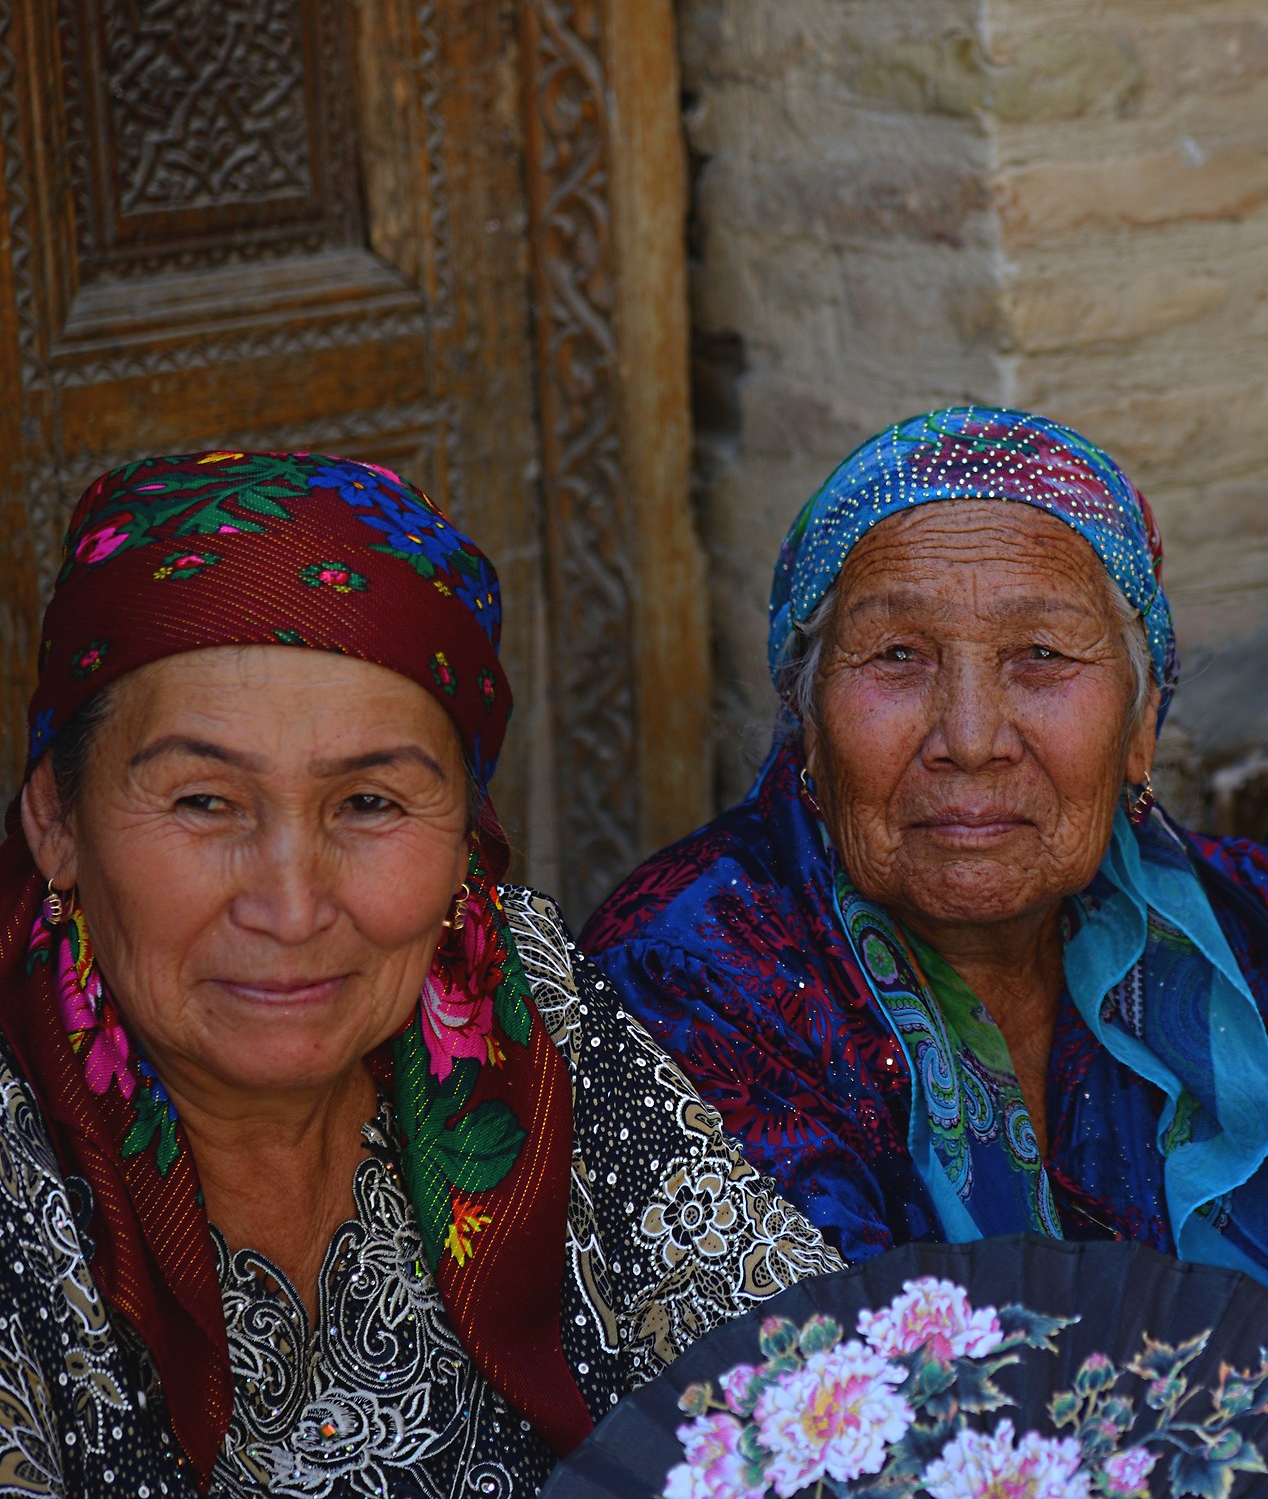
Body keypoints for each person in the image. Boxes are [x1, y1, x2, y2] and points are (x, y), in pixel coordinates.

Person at [584, 407, 1268, 1499]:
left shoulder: (1251, 924)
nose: (970, 734)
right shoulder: (692, 965)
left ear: (1143, 719)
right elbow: (855, 1411)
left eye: (1043, 655)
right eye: (899, 656)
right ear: (808, 721)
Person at [0, 452, 839, 1497]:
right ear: (56, 822)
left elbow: (812, 1387)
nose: (292, 906)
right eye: (203, 802)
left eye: (371, 804)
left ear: (464, 844)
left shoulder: (522, 1002)